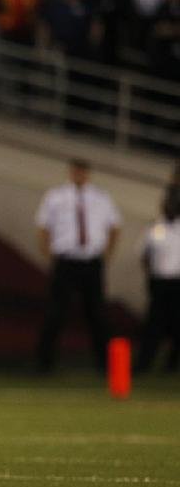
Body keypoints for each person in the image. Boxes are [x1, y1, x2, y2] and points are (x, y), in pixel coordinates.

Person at [35, 158, 121, 373]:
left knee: (97, 313)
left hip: (91, 261)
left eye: (82, 172)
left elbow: (114, 227)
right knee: (56, 312)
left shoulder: (101, 197)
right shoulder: (56, 197)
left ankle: (105, 364)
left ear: (87, 174)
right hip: (66, 260)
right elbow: (43, 227)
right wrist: (49, 256)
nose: (79, 175)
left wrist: (106, 255)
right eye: (76, 171)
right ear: (71, 172)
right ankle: (44, 363)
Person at [136, 185, 180, 372]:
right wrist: (151, 276)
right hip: (159, 282)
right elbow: (143, 254)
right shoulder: (155, 227)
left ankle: (172, 363)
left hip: (178, 283)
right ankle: (143, 363)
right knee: (153, 324)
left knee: (178, 325)